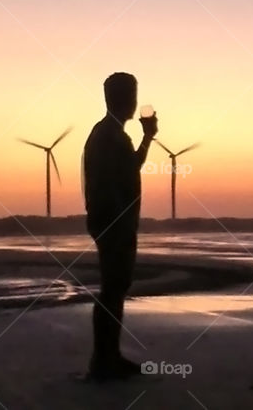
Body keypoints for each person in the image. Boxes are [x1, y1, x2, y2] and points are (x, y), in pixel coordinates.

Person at [82, 72, 158, 381]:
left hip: (114, 222)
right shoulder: (108, 135)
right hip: (114, 224)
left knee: (116, 288)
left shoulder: (109, 134)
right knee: (112, 289)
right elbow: (111, 182)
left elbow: (129, 168)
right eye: (131, 95)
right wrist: (119, 223)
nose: (134, 102)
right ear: (119, 98)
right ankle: (103, 361)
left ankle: (109, 356)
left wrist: (147, 138)